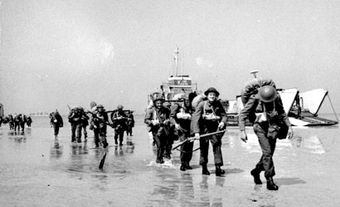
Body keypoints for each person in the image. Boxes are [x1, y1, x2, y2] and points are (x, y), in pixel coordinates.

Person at [239, 85, 294, 190]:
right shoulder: (254, 99)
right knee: (267, 153)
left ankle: (256, 171)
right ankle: (269, 179)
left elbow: (282, 112)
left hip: (272, 128)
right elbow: (243, 114)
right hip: (260, 128)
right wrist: (242, 131)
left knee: (268, 154)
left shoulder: (276, 97)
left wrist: (290, 127)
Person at [191, 87, 227, 176]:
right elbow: (195, 118)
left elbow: (224, 115)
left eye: (214, 95)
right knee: (204, 148)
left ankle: (218, 168)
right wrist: (196, 132)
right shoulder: (201, 104)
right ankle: (204, 168)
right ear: (207, 96)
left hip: (215, 129)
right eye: (210, 95)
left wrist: (222, 122)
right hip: (204, 130)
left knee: (217, 146)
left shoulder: (218, 104)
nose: (212, 96)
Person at [170, 93, 196, 171]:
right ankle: (182, 163)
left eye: (190, 100)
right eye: (187, 100)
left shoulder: (193, 106)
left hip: (191, 129)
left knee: (190, 146)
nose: (188, 102)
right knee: (183, 145)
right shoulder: (177, 106)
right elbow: (171, 117)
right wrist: (176, 124)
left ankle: (187, 163)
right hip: (182, 129)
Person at [144, 93, 171, 164]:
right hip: (156, 130)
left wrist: (167, 121)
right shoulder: (151, 110)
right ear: (155, 103)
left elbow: (170, 118)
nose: (159, 105)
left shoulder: (166, 110)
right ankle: (159, 160)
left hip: (165, 130)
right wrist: (152, 122)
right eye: (157, 103)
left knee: (165, 145)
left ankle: (162, 158)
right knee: (159, 145)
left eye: (160, 103)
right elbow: (146, 120)